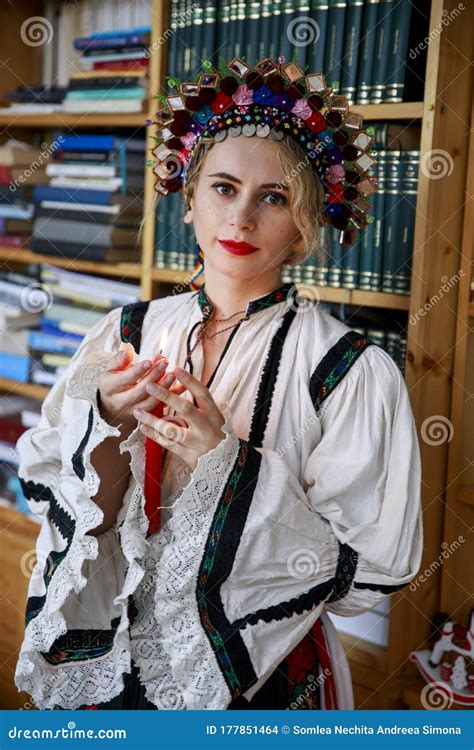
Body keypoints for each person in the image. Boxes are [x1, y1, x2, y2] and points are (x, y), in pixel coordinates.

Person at [14, 55, 423, 711]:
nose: (240, 219)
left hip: (259, 671)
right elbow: (52, 486)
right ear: (189, 196)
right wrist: (106, 419)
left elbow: (361, 577)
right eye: (224, 188)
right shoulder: (124, 331)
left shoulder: (350, 370)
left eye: (274, 197)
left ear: (304, 227)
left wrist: (222, 463)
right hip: (116, 646)